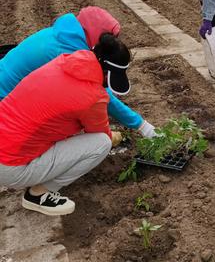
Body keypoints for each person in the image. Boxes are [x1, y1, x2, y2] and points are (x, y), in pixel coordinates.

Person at [0, 33, 131, 215]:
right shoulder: (93, 96)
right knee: (101, 143)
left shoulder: (63, 61)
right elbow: (99, 133)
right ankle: (38, 195)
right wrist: (114, 136)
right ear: (107, 73)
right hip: (8, 166)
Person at [0, 6, 156, 137]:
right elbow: (98, 96)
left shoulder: (63, 34)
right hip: (6, 106)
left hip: (11, 92)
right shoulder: (68, 53)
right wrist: (141, 125)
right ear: (96, 34)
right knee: (75, 121)